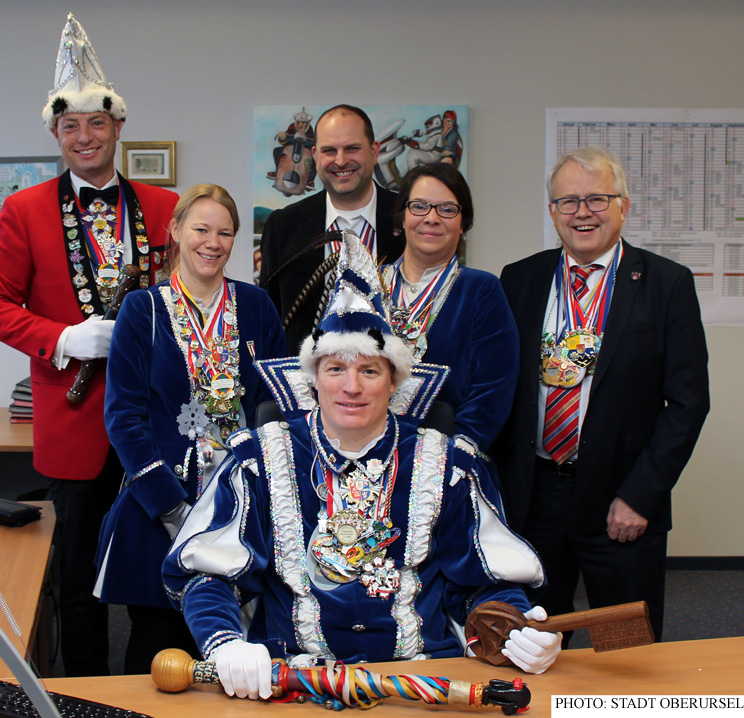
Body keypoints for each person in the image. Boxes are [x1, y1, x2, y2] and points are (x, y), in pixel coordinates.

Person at [163, 233, 561, 701]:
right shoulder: (258, 461)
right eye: (335, 369)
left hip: (420, 688)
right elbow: (209, 577)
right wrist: (225, 644)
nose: (351, 387)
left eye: (369, 370)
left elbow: (483, 583)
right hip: (294, 685)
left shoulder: (447, 463)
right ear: (312, 380)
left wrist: (513, 627)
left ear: (393, 381)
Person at [0, 14, 178, 676]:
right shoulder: (25, 209)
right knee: (78, 581)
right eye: (70, 126)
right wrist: (62, 336)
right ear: (55, 133)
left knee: (156, 573)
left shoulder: (166, 205)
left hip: (155, 424)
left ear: (119, 126)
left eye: (97, 123)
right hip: (73, 423)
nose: (84, 137)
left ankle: (157, 690)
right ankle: (85, 696)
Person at [496, 145, 710, 644]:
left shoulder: (666, 283)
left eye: (597, 198)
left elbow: (687, 403)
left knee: (625, 649)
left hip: (622, 501)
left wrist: (641, 495)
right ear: (552, 213)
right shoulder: (520, 279)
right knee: (531, 642)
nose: (582, 212)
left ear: (623, 206)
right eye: (568, 201)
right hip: (534, 497)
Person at [94, 185, 287, 674]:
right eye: (201, 229)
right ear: (176, 231)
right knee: (156, 648)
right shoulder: (144, 309)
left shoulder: (257, 306)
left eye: (225, 232)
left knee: (235, 643)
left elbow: (275, 402)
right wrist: (171, 508)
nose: (213, 242)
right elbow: (123, 416)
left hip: (239, 502)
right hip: (161, 502)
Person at [381, 163, 518, 490]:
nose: (432, 217)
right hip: (367, 458)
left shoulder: (482, 290)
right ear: (402, 217)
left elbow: (492, 390)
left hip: (448, 468)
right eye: (419, 206)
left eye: (447, 209)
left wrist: (453, 456)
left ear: (463, 223)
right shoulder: (367, 284)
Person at [259, 104, 405, 353]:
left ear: (374, 151)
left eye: (352, 148)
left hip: (397, 380)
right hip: (307, 383)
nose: (340, 160)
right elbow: (269, 319)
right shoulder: (283, 226)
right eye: (329, 150)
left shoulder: (408, 218)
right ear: (315, 155)